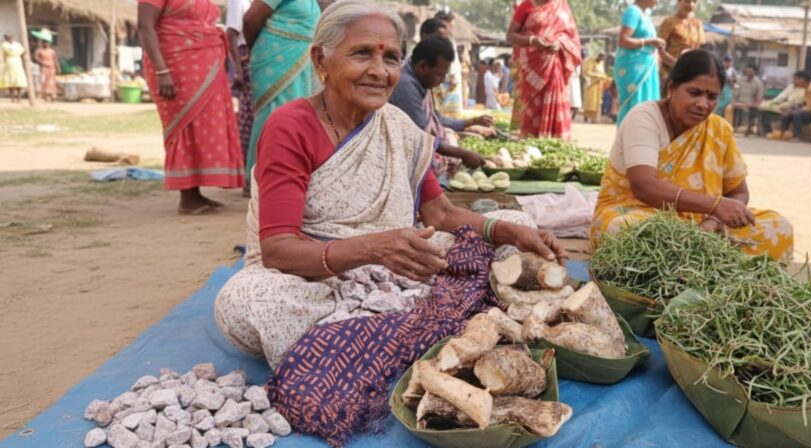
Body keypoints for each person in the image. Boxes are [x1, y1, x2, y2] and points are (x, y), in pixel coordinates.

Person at [215, 0, 564, 370]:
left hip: (396, 272)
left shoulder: (397, 126)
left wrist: (511, 231)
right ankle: (432, 327)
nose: (379, 72)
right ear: (320, 60)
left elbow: (440, 213)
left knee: (516, 224)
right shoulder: (292, 126)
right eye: (362, 54)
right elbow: (278, 251)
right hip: (313, 281)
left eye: (392, 58)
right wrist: (373, 248)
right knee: (245, 300)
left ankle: (378, 336)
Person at [591, 50, 793, 261]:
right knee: (636, 234)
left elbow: (738, 192)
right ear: (671, 88)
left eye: (712, 97)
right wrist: (714, 205)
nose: (703, 104)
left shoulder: (718, 129)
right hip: (637, 213)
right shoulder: (644, 119)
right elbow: (644, 186)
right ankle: (702, 264)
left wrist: (713, 220)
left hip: (704, 224)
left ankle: (700, 265)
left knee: (778, 227)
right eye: (694, 92)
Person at [138, 0, 245, 213]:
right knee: (184, 125)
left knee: (205, 126)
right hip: (175, 66)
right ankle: (187, 198)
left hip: (205, 63)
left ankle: (195, 193)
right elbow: (144, 26)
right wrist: (162, 71)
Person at [389, 37, 494, 177]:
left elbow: (436, 118)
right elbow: (420, 138)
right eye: (439, 75)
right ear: (423, 66)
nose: (443, 81)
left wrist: (472, 122)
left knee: (449, 137)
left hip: (414, 143)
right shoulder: (406, 86)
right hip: (399, 157)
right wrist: (463, 154)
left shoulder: (418, 80)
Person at [242, 0, 320, 184]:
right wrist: (255, 48)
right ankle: (261, 177)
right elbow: (251, 19)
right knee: (276, 115)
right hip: (275, 55)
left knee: (299, 117)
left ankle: (287, 172)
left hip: (301, 56)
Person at [506, 0, 582, 140]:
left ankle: (555, 142)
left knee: (555, 101)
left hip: (554, 67)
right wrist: (533, 40)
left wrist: (560, 44)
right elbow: (510, 36)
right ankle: (530, 141)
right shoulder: (526, 6)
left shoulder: (561, 6)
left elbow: (572, 39)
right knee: (532, 108)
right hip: (531, 69)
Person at [613, 0, 664, 125]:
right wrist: (649, 42)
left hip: (646, 66)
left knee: (647, 105)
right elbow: (623, 40)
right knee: (634, 104)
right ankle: (628, 140)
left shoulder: (645, 15)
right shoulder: (632, 12)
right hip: (633, 68)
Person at [225, 0, 254, 175]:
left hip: (254, 54)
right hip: (244, 55)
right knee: (248, 118)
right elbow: (231, 34)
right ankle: (246, 172)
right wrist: (237, 69)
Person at [657, 0, 704, 93]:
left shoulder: (697, 24)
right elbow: (659, 49)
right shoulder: (669, 22)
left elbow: (699, 48)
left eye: (694, 1)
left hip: (690, 73)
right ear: (679, 2)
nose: (691, 4)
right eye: (687, 1)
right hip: (669, 73)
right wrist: (676, 64)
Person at [772, 71, 811, 141]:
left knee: (796, 114)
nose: (795, 81)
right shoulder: (806, 89)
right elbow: (804, 104)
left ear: (802, 79)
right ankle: (783, 133)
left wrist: (802, 110)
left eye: (797, 79)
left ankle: (797, 136)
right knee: (787, 112)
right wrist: (791, 109)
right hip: (808, 112)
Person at [433, 9, 464, 116]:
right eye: (450, 22)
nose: (452, 25)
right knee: (445, 108)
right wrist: (452, 76)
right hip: (448, 78)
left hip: (449, 77)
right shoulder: (444, 40)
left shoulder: (449, 39)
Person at [732, 64, 763, 136]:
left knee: (754, 109)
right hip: (739, 102)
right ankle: (733, 127)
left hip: (750, 104)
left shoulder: (758, 83)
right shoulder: (740, 80)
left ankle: (749, 129)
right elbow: (735, 91)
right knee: (730, 108)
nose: (748, 73)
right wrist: (734, 102)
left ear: (755, 72)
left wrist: (754, 104)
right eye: (747, 71)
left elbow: (759, 97)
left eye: (750, 71)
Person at [582, 52, 610, 123]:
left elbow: (603, 74)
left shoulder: (601, 63)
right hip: (591, 84)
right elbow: (587, 72)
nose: (601, 59)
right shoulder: (590, 61)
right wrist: (598, 76)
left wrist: (605, 77)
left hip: (599, 85)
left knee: (598, 102)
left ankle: (595, 118)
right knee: (590, 102)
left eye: (603, 57)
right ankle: (586, 117)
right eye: (600, 56)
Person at [32, 33, 59, 102]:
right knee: (44, 81)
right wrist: (41, 63)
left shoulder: (52, 51)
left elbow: (55, 59)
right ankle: (46, 96)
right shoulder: (39, 50)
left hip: (52, 68)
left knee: (52, 82)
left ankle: (53, 95)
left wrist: (58, 67)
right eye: (45, 43)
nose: (46, 44)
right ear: (42, 43)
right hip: (44, 68)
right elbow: (35, 57)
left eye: (47, 43)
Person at [2, 34, 28, 103]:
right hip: (9, 62)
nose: (10, 38)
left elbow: (22, 50)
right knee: (11, 80)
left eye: (11, 37)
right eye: (8, 37)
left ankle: (19, 97)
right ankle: (12, 97)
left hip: (18, 63)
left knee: (19, 80)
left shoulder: (17, 44)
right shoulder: (4, 45)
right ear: (5, 38)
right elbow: (11, 51)